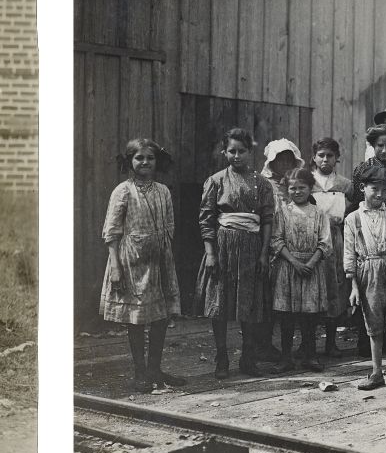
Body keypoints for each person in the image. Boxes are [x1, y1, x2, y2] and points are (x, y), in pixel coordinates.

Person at [100, 137, 182, 394]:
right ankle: (140, 373)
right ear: (130, 161)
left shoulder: (163, 191)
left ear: (157, 161)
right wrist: (116, 266)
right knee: (136, 319)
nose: (145, 162)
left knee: (160, 316)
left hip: (159, 261)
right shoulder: (123, 191)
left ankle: (155, 369)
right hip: (131, 261)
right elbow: (112, 232)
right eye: (139, 158)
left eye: (150, 158)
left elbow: (169, 225)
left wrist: (163, 252)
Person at [198, 127, 277, 379]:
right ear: (224, 152)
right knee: (220, 302)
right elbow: (206, 220)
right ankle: (222, 357)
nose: (236, 156)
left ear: (249, 152)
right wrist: (211, 253)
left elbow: (267, 220)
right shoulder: (216, 180)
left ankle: (248, 358)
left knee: (250, 303)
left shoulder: (261, 183)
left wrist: (264, 254)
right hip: (223, 245)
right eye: (231, 151)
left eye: (241, 151)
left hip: (252, 247)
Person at [343, 161, 386, 392]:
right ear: (363, 188)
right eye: (375, 189)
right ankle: (376, 372)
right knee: (374, 325)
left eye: (384, 190)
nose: (380, 194)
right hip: (368, 270)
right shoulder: (353, 218)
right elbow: (349, 254)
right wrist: (353, 285)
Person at [269, 168, 333, 371]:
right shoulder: (282, 212)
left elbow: (325, 242)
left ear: (310, 188)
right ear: (287, 190)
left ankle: (310, 356)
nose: (297, 192)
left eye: (302, 187)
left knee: (310, 316)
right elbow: (276, 240)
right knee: (286, 316)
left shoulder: (319, 213)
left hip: (311, 269)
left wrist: (311, 263)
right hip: (288, 267)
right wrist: (294, 262)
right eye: (293, 188)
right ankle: (286, 358)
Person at [309, 137, 351, 357]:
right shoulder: (308, 182)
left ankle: (331, 342)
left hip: (336, 239)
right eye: (321, 155)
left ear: (337, 158)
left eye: (330, 156)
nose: (325, 160)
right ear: (314, 158)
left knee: (335, 286)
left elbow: (353, 208)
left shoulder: (344, 184)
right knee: (313, 286)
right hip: (312, 239)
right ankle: (308, 343)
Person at [347, 125, 386, 213]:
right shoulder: (363, 169)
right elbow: (356, 199)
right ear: (373, 145)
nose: (384, 150)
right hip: (369, 215)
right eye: (380, 145)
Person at [261, 138, 303, 204]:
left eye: (289, 160)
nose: (285, 163)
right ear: (272, 163)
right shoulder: (264, 184)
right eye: (280, 160)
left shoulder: (299, 183)